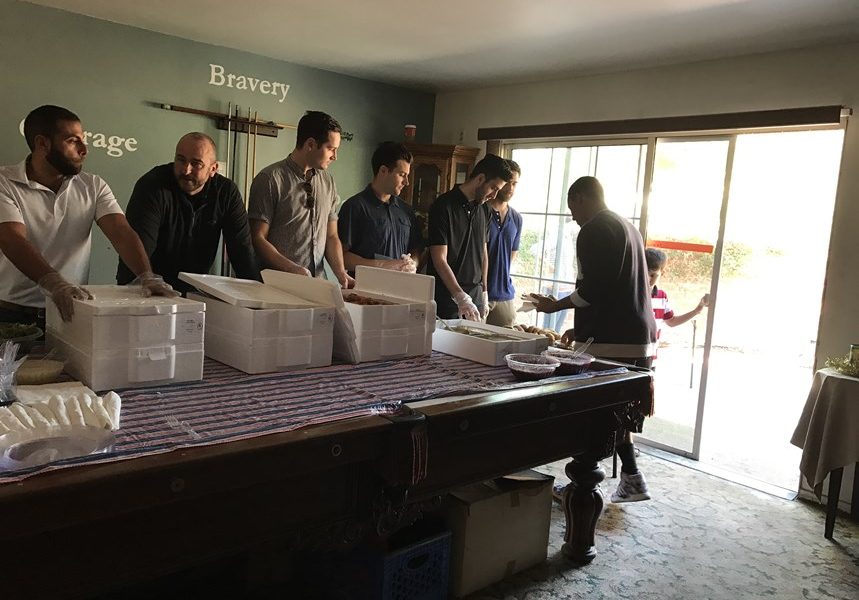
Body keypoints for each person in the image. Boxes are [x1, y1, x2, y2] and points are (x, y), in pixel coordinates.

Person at [529, 176, 656, 503]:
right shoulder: (627, 227)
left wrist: (554, 306)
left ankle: (582, 483)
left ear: (582, 197)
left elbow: (592, 289)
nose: (573, 217)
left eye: (572, 208)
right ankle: (632, 478)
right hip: (638, 334)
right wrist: (583, 329)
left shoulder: (594, 229)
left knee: (594, 412)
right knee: (618, 410)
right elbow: (614, 285)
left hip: (614, 338)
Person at [0, 105, 176, 328]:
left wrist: (146, 275)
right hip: (11, 315)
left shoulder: (93, 185)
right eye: (73, 141)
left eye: (83, 140)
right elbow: (12, 239)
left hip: (69, 311)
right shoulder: (4, 182)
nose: (84, 149)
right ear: (42, 143)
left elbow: (120, 231)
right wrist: (53, 283)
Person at [116, 132, 260, 294]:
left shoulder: (226, 193)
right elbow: (138, 247)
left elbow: (242, 251)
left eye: (196, 164)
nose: (186, 170)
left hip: (195, 290)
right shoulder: (152, 185)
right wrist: (144, 284)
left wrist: (256, 297)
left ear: (213, 169)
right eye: (181, 160)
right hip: (146, 285)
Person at [248, 110, 353, 288]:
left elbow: (332, 235)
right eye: (331, 149)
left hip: (318, 286)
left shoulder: (328, 182)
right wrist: (292, 269)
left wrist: (341, 273)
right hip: (278, 287)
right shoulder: (270, 179)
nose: (335, 157)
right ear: (310, 144)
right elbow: (257, 238)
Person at [427, 154, 513, 321]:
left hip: (476, 297)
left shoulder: (485, 209)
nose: (494, 195)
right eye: (493, 188)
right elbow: (439, 258)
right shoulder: (443, 206)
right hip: (447, 299)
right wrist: (460, 296)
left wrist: (484, 291)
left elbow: (483, 253)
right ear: (480, 179)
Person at [337, 142, 421, 275]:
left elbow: (415, 251)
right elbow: (341, 256)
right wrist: (383, 265)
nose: (407, 182)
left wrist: (412, 265)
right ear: (383, 171)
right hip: (364, 286)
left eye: (407, 175)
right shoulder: (354, 207)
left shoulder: (407, 211)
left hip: (400, 285)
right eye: (402, 175)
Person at [645, 247, 709, 356]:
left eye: (653, 275)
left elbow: (671, 321)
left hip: (651, 355)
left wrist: (697, 310)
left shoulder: (661, 296)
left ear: (662, 273)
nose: (648, 278)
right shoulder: (630, 293)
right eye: (644, 273)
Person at [485, 159, 522, 327]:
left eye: (515, 184)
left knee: (507, 339)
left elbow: (511, 256)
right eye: (508, 183)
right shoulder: (481, 211)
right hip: (478, 293)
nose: (511, 188)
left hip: (504, 294)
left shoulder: (517, 218)